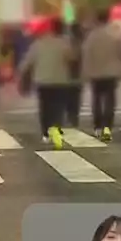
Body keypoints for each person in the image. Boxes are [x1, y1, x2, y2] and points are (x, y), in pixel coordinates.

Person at [17, 17, 75, 149]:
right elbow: (71, 58)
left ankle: (46, 133)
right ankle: (56, 128)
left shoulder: (39, 43)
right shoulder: (65, 43)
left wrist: (21, 75)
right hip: (60, 81)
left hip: (43, 81)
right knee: (58, 108)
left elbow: (27, 62)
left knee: (45, 108)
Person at [82, 10, 121, 141]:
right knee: (110, 100)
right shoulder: (114, 35)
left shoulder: (92, 36)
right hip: (111, 72)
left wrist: (85, 71)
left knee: (96, 99)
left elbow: (86, 54)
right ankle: (108, 126)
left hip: (96, 73)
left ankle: (98, 126)